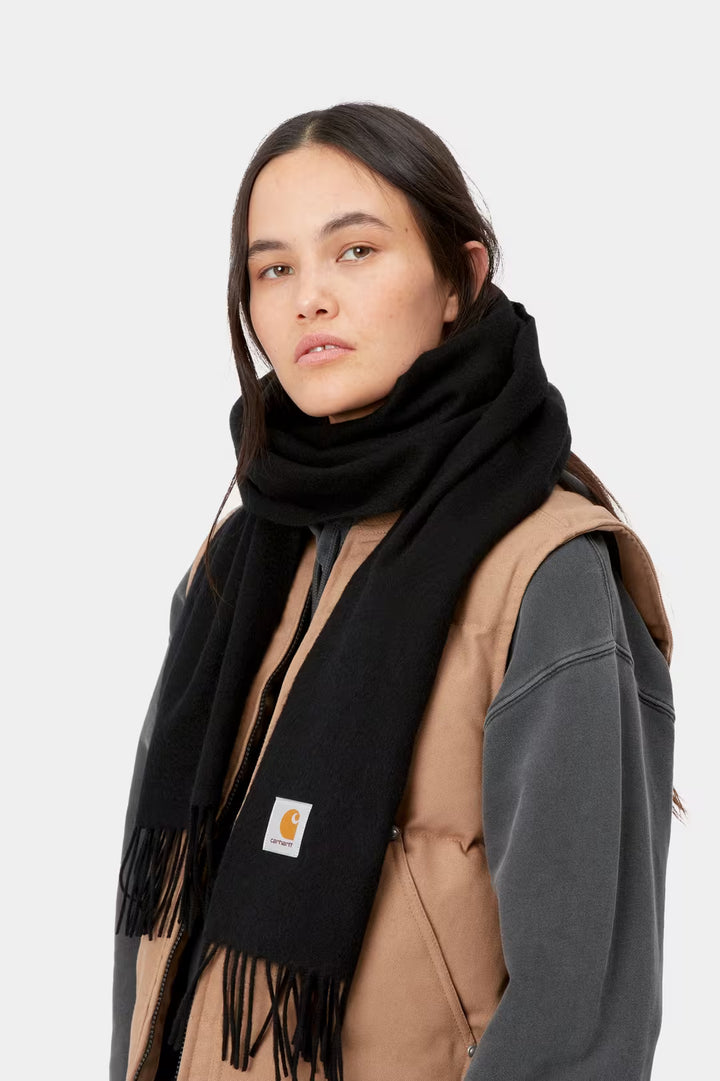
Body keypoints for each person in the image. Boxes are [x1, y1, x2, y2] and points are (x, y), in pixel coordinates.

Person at [111, 102, 684, 1081]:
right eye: (273, 268)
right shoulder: (230, 571)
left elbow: (582, 1021)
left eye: (356, 251)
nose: (309, 298)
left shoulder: (544, 574)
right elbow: (155, 957)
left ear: (461, 278)